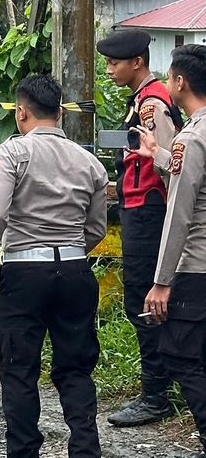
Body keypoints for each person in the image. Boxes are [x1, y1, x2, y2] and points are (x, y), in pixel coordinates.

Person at [0, 74, 107, 458]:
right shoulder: (90, 162)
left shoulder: (12, 153)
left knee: (19, 371)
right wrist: (71, 249)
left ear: (21, 112)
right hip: (76, 273)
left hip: (25, 274)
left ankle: (25, 452)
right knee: (76, 369)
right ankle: (84, 450)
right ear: (60, 113)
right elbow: (95, 228)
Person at [97, 29, 182, 427]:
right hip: (137, 206)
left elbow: (170, 164)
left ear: (137, 62)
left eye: (115, 64)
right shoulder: (141, 100)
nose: (110, 70)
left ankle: (156, 394)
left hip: (149, 213)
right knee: (143, 300)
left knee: (144, 301)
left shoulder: (152, 105)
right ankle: (162, 384)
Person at [136, 44, 206, 458]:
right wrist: (159, 154)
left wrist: (161, 282)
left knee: (180, 355)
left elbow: (180, 213)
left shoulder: (191, 137)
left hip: (196, 266)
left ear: (180, 82)